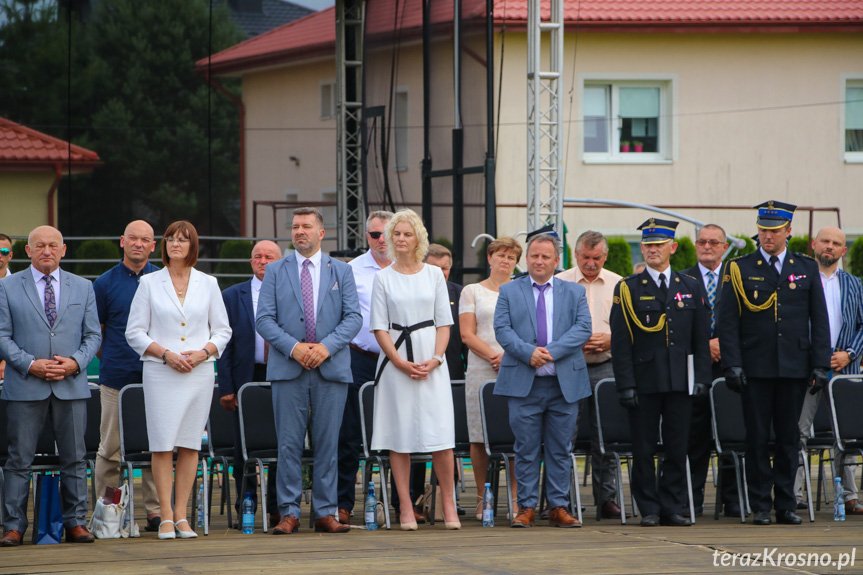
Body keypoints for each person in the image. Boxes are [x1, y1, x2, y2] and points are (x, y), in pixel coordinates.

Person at [718, 201, 831, 525]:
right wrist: (732, 364)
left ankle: (785, 504)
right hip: (755, 367)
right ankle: (760, 505)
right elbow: (728, 322)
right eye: (764, 229)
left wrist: (820, 363)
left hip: (794, 365)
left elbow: (818, 319)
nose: (768, 236)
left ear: (788, 231)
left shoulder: (805, 267)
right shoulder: (740, 267)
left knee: (789, 438)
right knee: (756, 438)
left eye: (775, 230)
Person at [256, 207, 361, 535]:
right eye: (295, 226)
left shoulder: (341, 272)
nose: (299, 231)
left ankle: (325, 512)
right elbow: (264, 320)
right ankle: (288, 512)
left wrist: (326, 347)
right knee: (288, 443)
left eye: (306, 226)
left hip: (331, 368)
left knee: (329, 443)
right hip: (289, 367)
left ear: (321, 233)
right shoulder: (275, 270)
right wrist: (295, 348)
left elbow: (354, 318)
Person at [126, 220, 232, 539]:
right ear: (165, 245)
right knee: (162, 445)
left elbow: (223, 330)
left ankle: (184, 516)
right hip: (161, 373)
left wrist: (203, 353)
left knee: (189, 444)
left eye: (183, 240)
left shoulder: (209, 283)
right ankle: (166, 517)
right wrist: (165, 354)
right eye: (171, 239)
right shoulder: (148, 283)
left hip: (198, 373)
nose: (175, 244)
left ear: (192, 246)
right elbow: (134, 332)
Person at [0, 225, 101, 546]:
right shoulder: (7, 287)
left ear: (63, 250)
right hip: (24, 383)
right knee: (19, 460)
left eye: (53, 245)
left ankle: (75, 523)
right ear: (27, 251)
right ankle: (13, 527)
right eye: (39, 245)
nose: (47, 250)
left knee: (75, 457)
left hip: (70, 384)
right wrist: (30, 363)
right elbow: (2, 335)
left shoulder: (83, 287)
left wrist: (75, 363)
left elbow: (93, 335)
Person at [610, 219, 711, 527]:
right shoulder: (628, 288)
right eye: (648, 245)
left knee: (677, 447)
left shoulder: (690, 286)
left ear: (673, 247)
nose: (652, 250)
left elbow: (700, 339)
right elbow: (621, 341)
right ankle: (649, 508)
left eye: (659, 244)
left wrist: (702, 378)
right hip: (644, 381)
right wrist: (625, 384)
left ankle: (672, 505)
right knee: (642, 449)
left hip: (680, 380)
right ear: (642, 248)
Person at [494, 230, 592, 528]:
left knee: (561, 448)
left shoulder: (573, 292)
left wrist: (550, 352)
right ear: (527, 258)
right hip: (524, 385)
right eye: (534, 255)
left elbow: (583, 328)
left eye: (545, 256)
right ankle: (525, 507)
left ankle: (558, 507)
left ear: (556, 260)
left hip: (564, 386)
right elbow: (502, 329)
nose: (539, 261)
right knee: (525, 448)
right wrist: (527, 353)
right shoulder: (510, 291)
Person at [369, 209, 459, 530]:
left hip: (432, 359)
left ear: (418, 237)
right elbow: (379, 327)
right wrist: (397, 361)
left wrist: (435, 359)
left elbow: (444, 324)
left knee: (442, 436)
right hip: (396, 362)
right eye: (396, 234)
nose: (402, 239)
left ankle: (448, 503)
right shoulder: (382, 277)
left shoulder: (434, 275)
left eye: (408, 234)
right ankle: (405, 506)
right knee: (399, 435)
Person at [93, 220, 161, 532]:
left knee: (156, 445)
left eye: (144, 239)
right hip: (116, 377)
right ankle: (109, 513)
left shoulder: (164, 279)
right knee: (111, 448)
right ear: (122, 241)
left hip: (158, 377)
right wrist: (114, 358)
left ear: (153, 245)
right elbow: (98, 333)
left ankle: (156, 512)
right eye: (132, 238)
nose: (138, 244)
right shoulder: (104, 284)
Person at [793, 226, 863, 514]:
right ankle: (793, 493)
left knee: (846, 434)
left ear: (843, 251)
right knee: (798, 431)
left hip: (845, 368)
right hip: (806, 368)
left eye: (836, 243)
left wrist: (850, 354)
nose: (830, 246)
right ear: (813, 245)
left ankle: (849, 495)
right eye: (825, 241)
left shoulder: (855, 285)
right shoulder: (798, 282)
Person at [556, 230, 624, 519]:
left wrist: (612, 339)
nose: (591, 263)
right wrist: (575, 340)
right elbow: (550, 325)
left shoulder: (619, 284)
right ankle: (563, 501)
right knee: (565, 434)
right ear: (575, 254)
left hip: (607, 363)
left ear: (605, 256)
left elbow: (630, 328)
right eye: (585, 257)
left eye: (597, 258)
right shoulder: (559, 282)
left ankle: (606, 500)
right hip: (570, 364)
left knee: (605, 436)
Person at [217, 240, 283, 529]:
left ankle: (277, 507)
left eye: (269, 256)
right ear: (250, 261)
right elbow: (225, 346)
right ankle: (246, 504)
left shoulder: (289, 293)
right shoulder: (232, 296)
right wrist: (227, 387)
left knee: (283, 442)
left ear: (280, 262)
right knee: (242, 447)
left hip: (282, 375)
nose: (263, 261)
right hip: (244, 378)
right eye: (257, 256)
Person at [337, 211, 394, 525]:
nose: (382, 240)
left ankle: (405, 502)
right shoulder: (351, 270)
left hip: (400, 360)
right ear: (366, 237)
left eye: (388, 233)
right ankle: (343, 503)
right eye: (375, 235)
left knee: (402, 431)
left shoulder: (411, 268)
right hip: (359, 358)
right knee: (348, 433)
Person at [460, 237, 521, 519]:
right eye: (500, 255)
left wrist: (508, 358)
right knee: (479, 435)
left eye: (511, 257)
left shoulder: (523, 290)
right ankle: (483, 497)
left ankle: (516, 498)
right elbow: (467, 334)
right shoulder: (471, 291)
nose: (505, 261)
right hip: (481, 370)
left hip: (517, 366)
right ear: (490, 258)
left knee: (517, 433)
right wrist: (493, 357)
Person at [681, 224, 740, 516]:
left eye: (714, 242)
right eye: (702, 241)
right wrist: (706, 345)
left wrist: (723, 346)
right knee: (695, 435)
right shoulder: (681, 280)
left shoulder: (737, 278)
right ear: (695, 246)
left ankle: (733, 500)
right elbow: (677, 327)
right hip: (696, 368)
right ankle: (691, 499)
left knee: (732, 434)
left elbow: (747, 323)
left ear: (724, 246)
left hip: (730, 367)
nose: (707, 246)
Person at [425, 243, 467, 381]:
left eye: (445, 268)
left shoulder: (460, 293)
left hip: (452, 372)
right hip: (420, 368)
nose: (441, 273)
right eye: (435, 268)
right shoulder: (411, 294)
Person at [0, 232, 13, 382]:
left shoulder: (21, 287)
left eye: (3, 252)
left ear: (10, 255)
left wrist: (6, 362)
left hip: (10, 366)